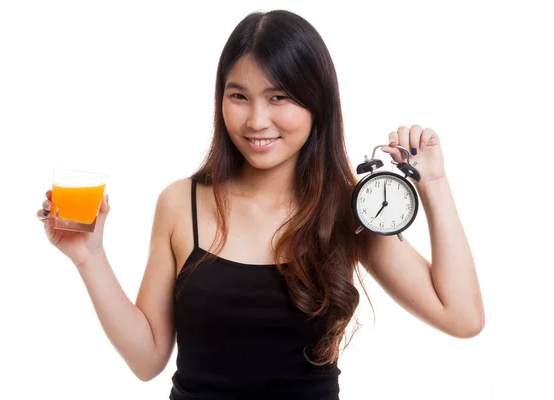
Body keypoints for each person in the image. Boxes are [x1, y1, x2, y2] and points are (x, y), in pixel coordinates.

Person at [36, 9, 484, 400]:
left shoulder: (348, 210)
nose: (256, 120)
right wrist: (89, 257)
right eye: (239, 96)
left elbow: (462, 317)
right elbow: (147, 360)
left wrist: (435, 184)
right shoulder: (181, 203)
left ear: (317, 104)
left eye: (279, 97)